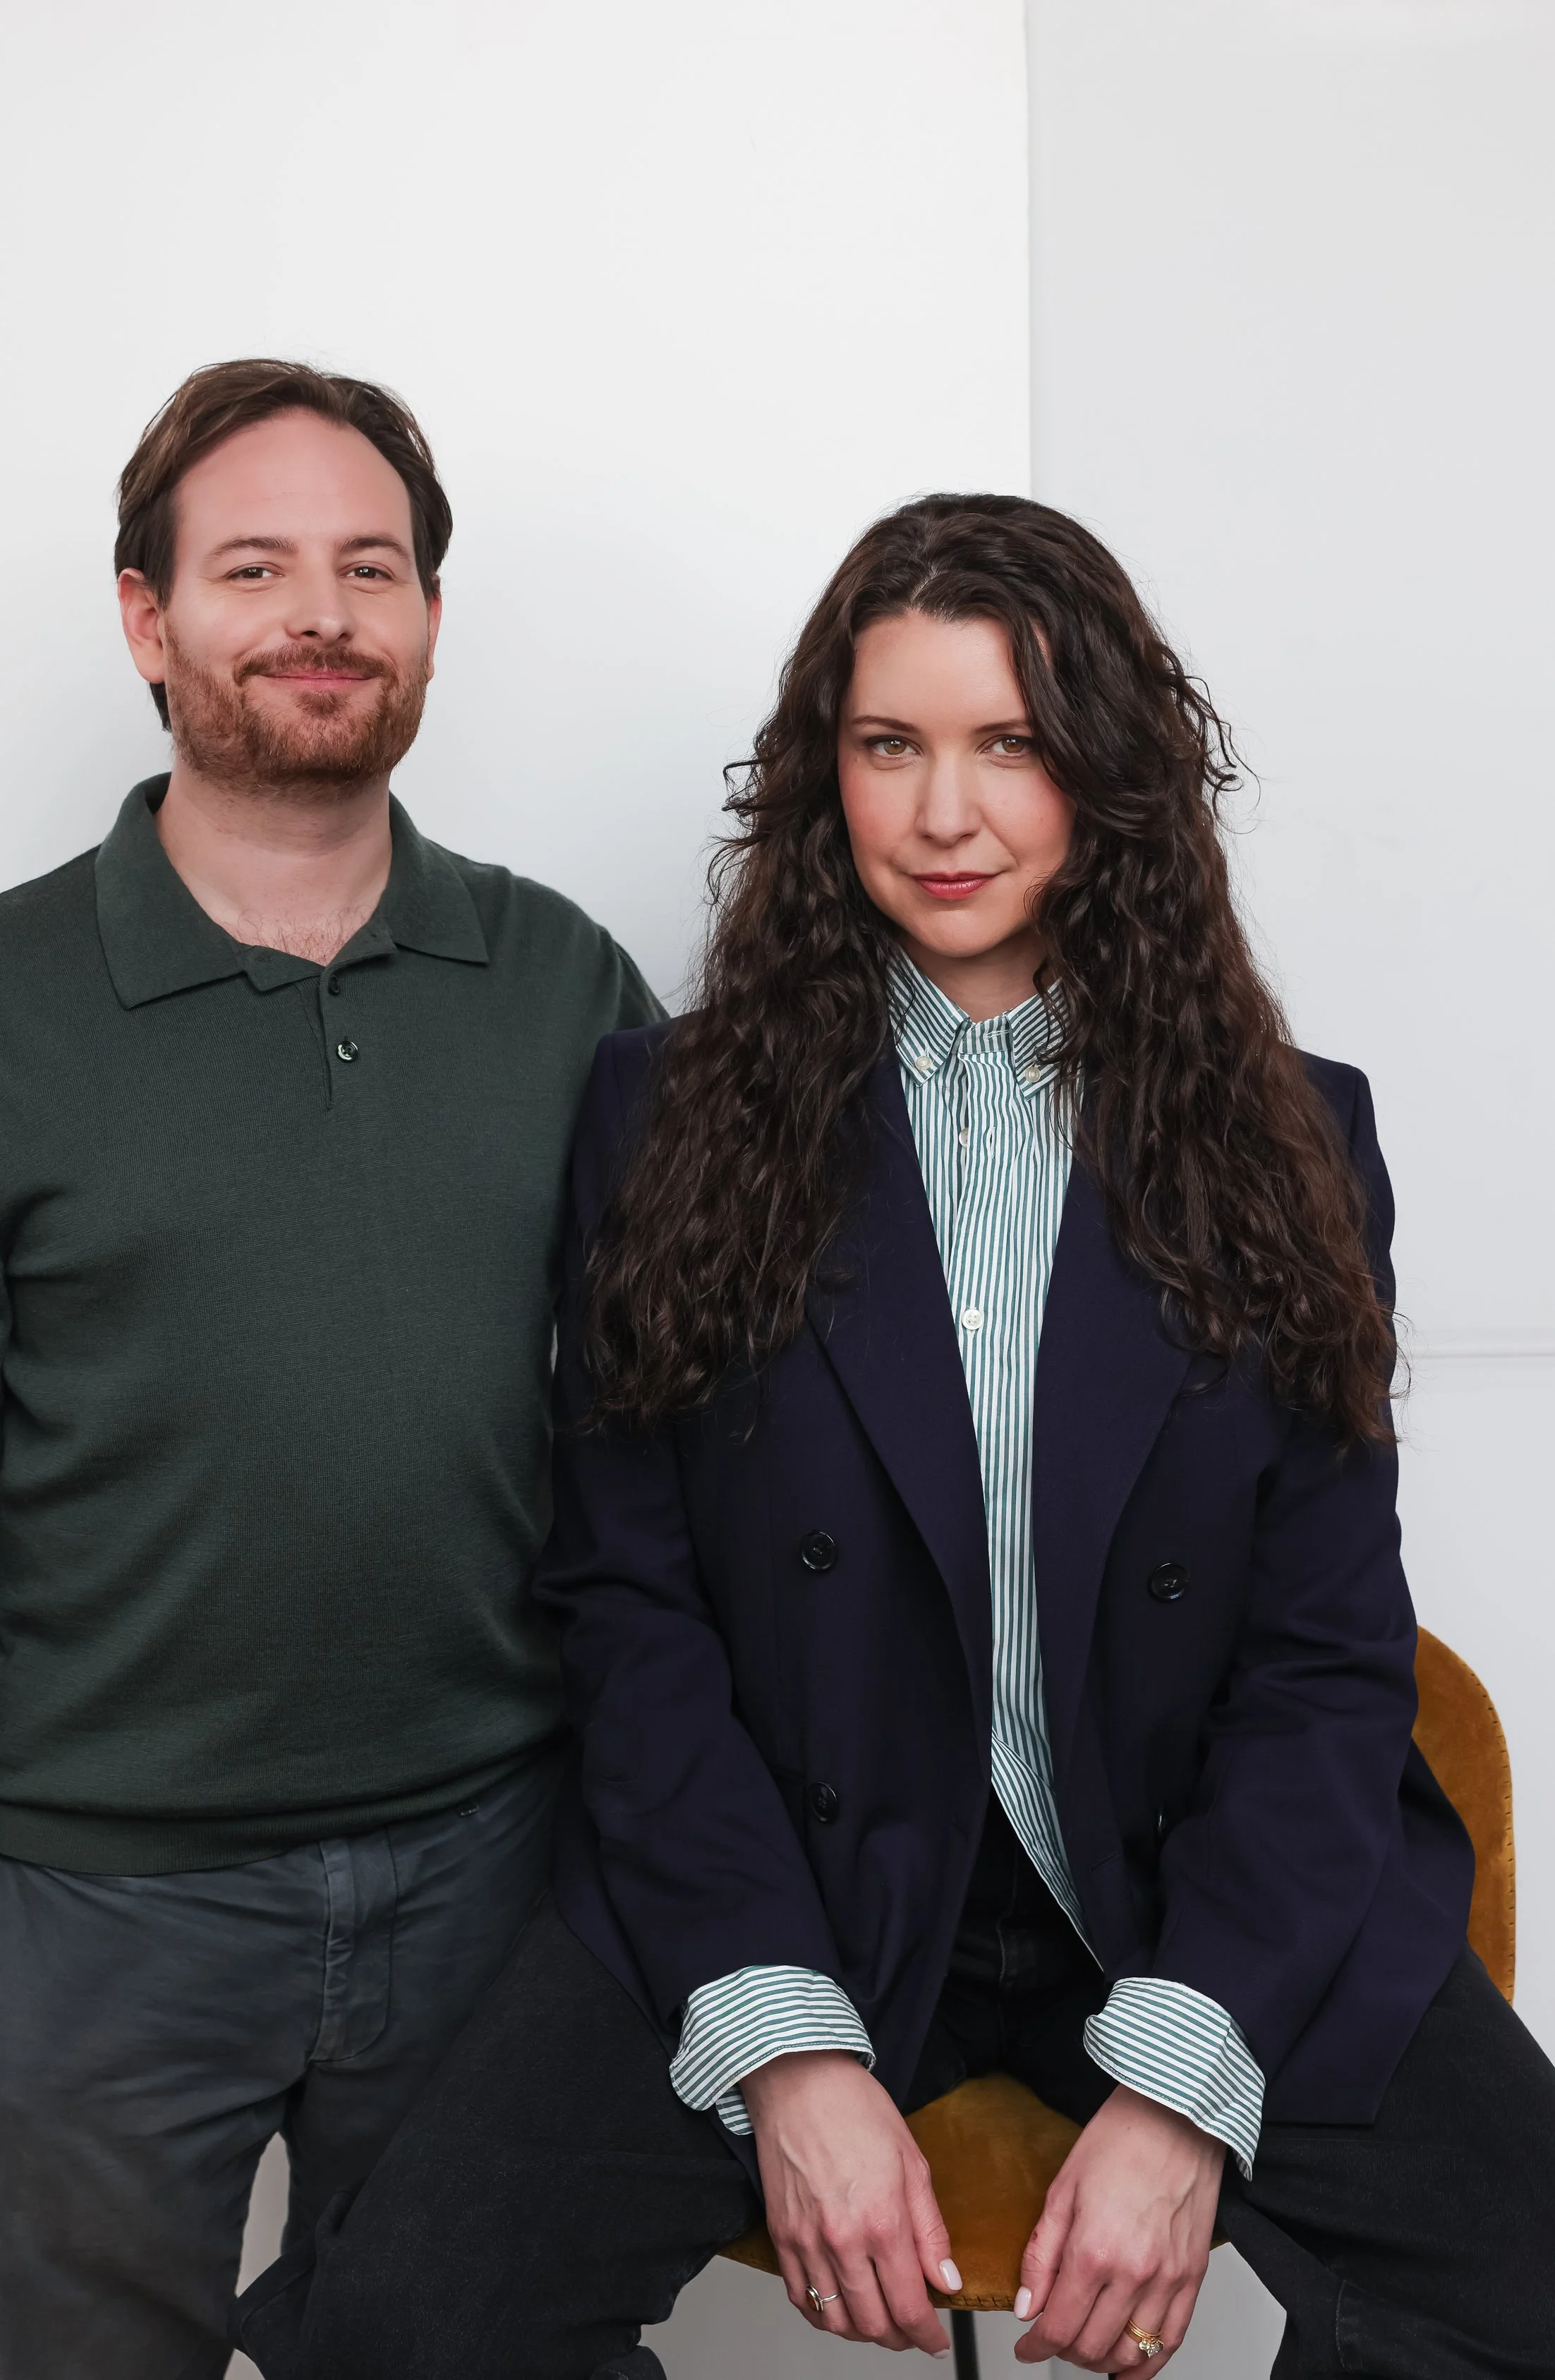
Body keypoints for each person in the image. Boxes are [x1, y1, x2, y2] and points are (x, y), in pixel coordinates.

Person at [233, 493, 1555, 2380]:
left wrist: (1183, 2081)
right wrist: (779, 2042)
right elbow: (631, 1608)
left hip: (1192, 1875)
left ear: (1108, 769)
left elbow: (1319, 1648)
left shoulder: (1292, 1131)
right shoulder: (664, 1113)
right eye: (890, 745)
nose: (945, 814)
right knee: (399, 2321)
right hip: (800, 1859)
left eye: (1010, 743)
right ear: (820, 772)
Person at [0, 357, 659, 2380]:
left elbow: (669, 1434)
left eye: (373, 567)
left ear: (431, 621)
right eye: (255, 566)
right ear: (149, 616)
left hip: (490, 1874)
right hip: (99, 1917)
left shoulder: (562, 985)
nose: (321, 615)